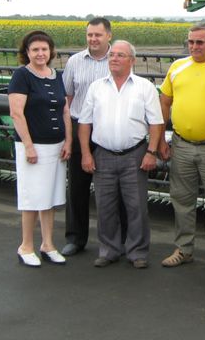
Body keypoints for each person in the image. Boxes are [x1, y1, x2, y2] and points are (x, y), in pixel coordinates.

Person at [77, 41, 164, 268]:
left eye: (120, 55)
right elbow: (84, 122)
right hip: (102, 154)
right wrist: (86, 154)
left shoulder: (145, 87)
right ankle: (109, 250)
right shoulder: (96, 87)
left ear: (132, 60)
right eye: (112, 55)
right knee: (105, 206)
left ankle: (137, 252)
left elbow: (156, 123)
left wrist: (151, 152)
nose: (114, 58)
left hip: (134, 154)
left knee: (136, 207)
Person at [159, 22, 205, 271]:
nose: (194, 46)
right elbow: (165, 102)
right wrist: (161, 139)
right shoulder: (177, 67)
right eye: (190, 42)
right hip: (181, 144)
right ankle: (184, 249)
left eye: (199, 42)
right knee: (181, 199)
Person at [8, 30, 72, 267]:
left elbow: (64, 110)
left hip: (56, 147)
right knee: (33, 198)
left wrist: (69, 141)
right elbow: (16, 113)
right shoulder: (22, 76)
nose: (40, 53)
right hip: (33, 147)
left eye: (44, 49)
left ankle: (48, 244)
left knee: (51, 197)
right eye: (35, 49)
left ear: (51, 51)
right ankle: (26, 245)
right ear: (27, 53)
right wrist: (28, 146)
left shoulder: (57, 75)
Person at [61, 17, 121, 257]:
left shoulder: (118, 60)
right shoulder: (75, 62)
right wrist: (68, 136)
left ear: (108, 35)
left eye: (98, 35)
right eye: (89, 35)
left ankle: (118, 240)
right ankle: (75, 238)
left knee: (114, 189)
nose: (93, 39)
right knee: (77, 187)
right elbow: (67, 99)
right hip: (79, 127)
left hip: (108, 129)